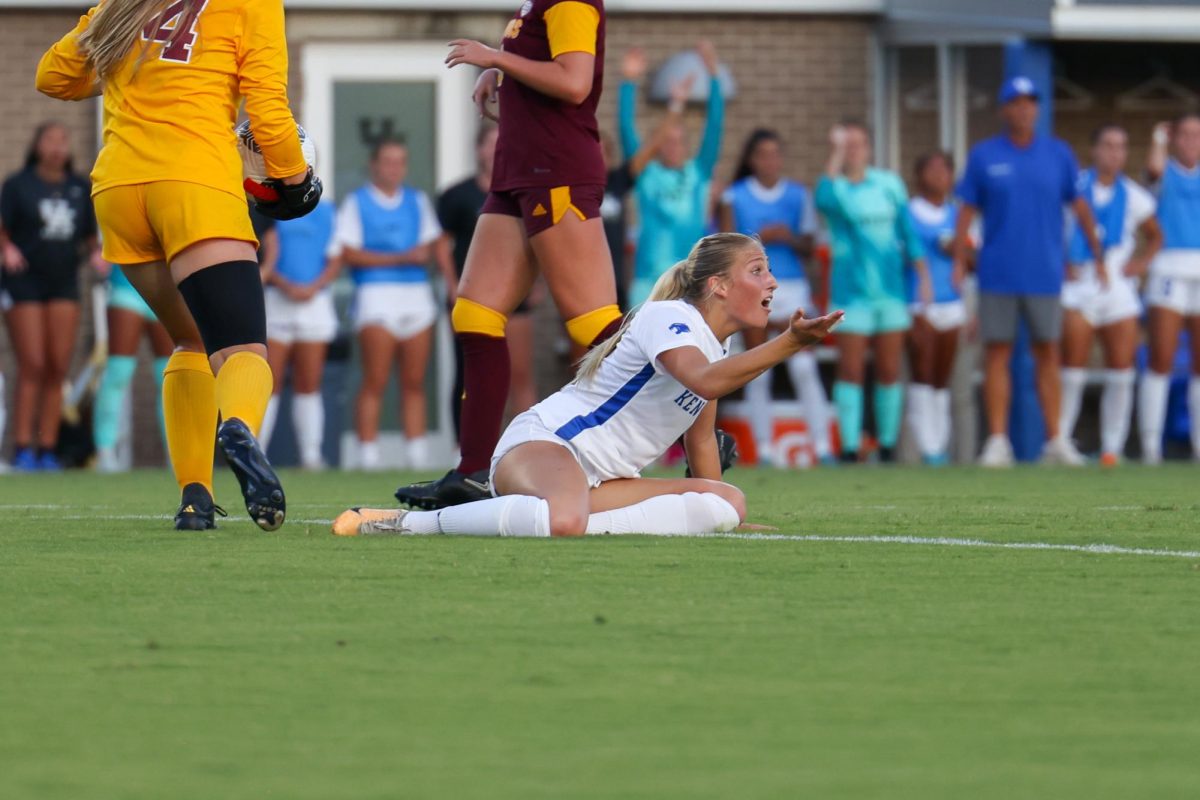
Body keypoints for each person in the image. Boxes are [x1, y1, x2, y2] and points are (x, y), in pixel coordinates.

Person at [332, 233, 844, 538]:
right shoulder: (669, 316)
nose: (772, 282)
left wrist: (723, 517)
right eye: (758, 270)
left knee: (729, 501)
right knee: (565, 520)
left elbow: (701, 436)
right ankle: (405, 525)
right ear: (719, 286)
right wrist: (790, 343)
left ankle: (546, 517)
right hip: (544, 445)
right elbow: (702, 381)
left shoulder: (718, 345)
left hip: (601, 482)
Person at [37, 0, 323, 530]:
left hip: (119, 192)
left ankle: (195, 498)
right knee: (244, 351)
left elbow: (52, 75)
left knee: (191, 339)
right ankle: (237, 427)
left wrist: (131, 55)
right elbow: (267, 107)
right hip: (193, 183)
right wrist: (295, 176)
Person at [394, 0, 626, 510]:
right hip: (518, 173)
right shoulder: (534, 4)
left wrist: (496, 60)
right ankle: (473, 470)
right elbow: (546, 68)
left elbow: (573, 82)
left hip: (557, 170)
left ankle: (696, 425)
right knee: (474, 312)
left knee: (596, 329)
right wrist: (504, 74)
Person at [953, 76, 1103, 467]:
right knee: (998, 353)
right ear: (1004, 109)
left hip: (1045, 273)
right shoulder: (985, 155)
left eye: (1030, 102)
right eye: (1016, 102)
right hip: (997, 273)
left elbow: (1080, 206)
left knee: (1048, 353)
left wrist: (1097, 254)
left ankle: (1055, 439)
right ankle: (999, 441)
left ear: (1037, 109)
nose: (1024, 109)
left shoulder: (1058, 154)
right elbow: (966, 212)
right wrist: (957, 260)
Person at [816, 122, 930, 463]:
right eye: (847, 145)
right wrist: (834, 153)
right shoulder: (835, 188)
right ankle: (849, 447)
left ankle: (887, 445)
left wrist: (923, 273)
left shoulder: (889, 184)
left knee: (889, 369)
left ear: (869, 148)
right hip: (850, 293)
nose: (853, 150)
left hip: (891, 293)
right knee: (850, 370)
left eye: (858, 144)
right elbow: (822, 197)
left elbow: (907, 231)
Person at [718, 128, 831, 465]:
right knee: (757, 368)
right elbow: (726, 248)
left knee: (804, 368)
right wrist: (757, 242)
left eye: (775, 154)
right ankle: (765, 449)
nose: (770, 161)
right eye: (763, 154)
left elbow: (811, 246)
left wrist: (789, 238)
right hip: (752, 290)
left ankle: (823, 447)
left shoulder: (798, 195)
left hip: (793, 286)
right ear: (752, 160)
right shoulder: (734, 196)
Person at [0, 121, 101, 472]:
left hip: (64, 284)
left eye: (63, 141)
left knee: (58, 367)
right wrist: (7, 248)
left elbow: (89, 237)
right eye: (51, 140)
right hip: (23, 283)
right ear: (38, 145)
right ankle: (23, 447)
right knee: (33, 364)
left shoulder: (78, 187)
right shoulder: (18, 186)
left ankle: (47, 448)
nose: (58, 147)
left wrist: (97, 255)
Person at [337, 139, 441, 471]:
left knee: (414, 381)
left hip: (416, 296)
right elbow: (348, 252)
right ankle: (368, 455)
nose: (394, 168)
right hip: (375, 297)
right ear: (374, 165)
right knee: (375, 379)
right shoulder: (357, 203)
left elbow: (430, 245)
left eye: (400, 162)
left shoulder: (417, 201)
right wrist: (399, 256)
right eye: (387, 161)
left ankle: (417, 456)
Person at [1060, 124, 1161, 466]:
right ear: (1094, 150)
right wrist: (1060, 262)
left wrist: (1141, 264)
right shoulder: (1072, 189)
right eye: (1108, 145)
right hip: (1078, 283)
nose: (1115, 153)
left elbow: (1156, 236)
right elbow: (1052, 229)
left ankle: (1112, 448)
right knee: (1071, 367)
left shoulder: (1134, 195)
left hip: (1117, 286)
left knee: (1121, 369)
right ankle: (1061, 441)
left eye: (1121, 146)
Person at [435, 126, 539, 434]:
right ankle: (466, 449)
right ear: (478, 150)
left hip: (515, 296)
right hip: (473, 297)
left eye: (503, 145)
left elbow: (541, 241)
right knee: (469, 374)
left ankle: (528, 443)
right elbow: (441, 244)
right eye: (491, 144)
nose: (497, 152)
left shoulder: (525, 193)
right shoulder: (457, 195)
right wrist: (453, 287)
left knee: (519, 374)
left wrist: (538, 284)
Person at [620, 41, 725, 307]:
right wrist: (628, 82)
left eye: (679, 140)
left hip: (690, 283)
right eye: (667, 140)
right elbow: (626, 130)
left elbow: (714, 127)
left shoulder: (698, 171)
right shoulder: (646, 173)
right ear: (657, 146)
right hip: (649, 284)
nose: (673, 146)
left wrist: (713, 75)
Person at [258, 199, 341, 470]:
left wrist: (312, 287)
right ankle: (256, 454)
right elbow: (266, 249)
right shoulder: (267, 206)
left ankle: (310, 455)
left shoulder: (327, 210)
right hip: (276, 299)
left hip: (314, 303)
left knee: (309, 381)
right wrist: (284, 284)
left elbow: (335, 258)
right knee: (269, 380)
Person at [1140, 113, 1200, 464]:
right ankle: (1150, 446)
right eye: (1186, 134)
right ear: (1175, 139)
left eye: (1197, 135)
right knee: (1160, 358)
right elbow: (1153, 170)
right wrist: (1158, 138)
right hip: (1168, 267)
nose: (1192, 141)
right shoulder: (1164, 174)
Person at [905, 151, 969, 465]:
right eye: (932, 167)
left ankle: (940, 446)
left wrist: (958, 250)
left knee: (942, 378)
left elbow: (973, 259)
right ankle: (927, 447)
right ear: (919, 175)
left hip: (952, 301)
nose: (939, 174)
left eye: (945, 168)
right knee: (923, 372)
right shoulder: (908, 212)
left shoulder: (959, 215)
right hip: (919, 301)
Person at [92, 263, 174, 472]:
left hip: (167, 291)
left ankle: (176, 456)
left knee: (169, 377)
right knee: (119, 370)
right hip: (126, 288)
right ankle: (106, 452)